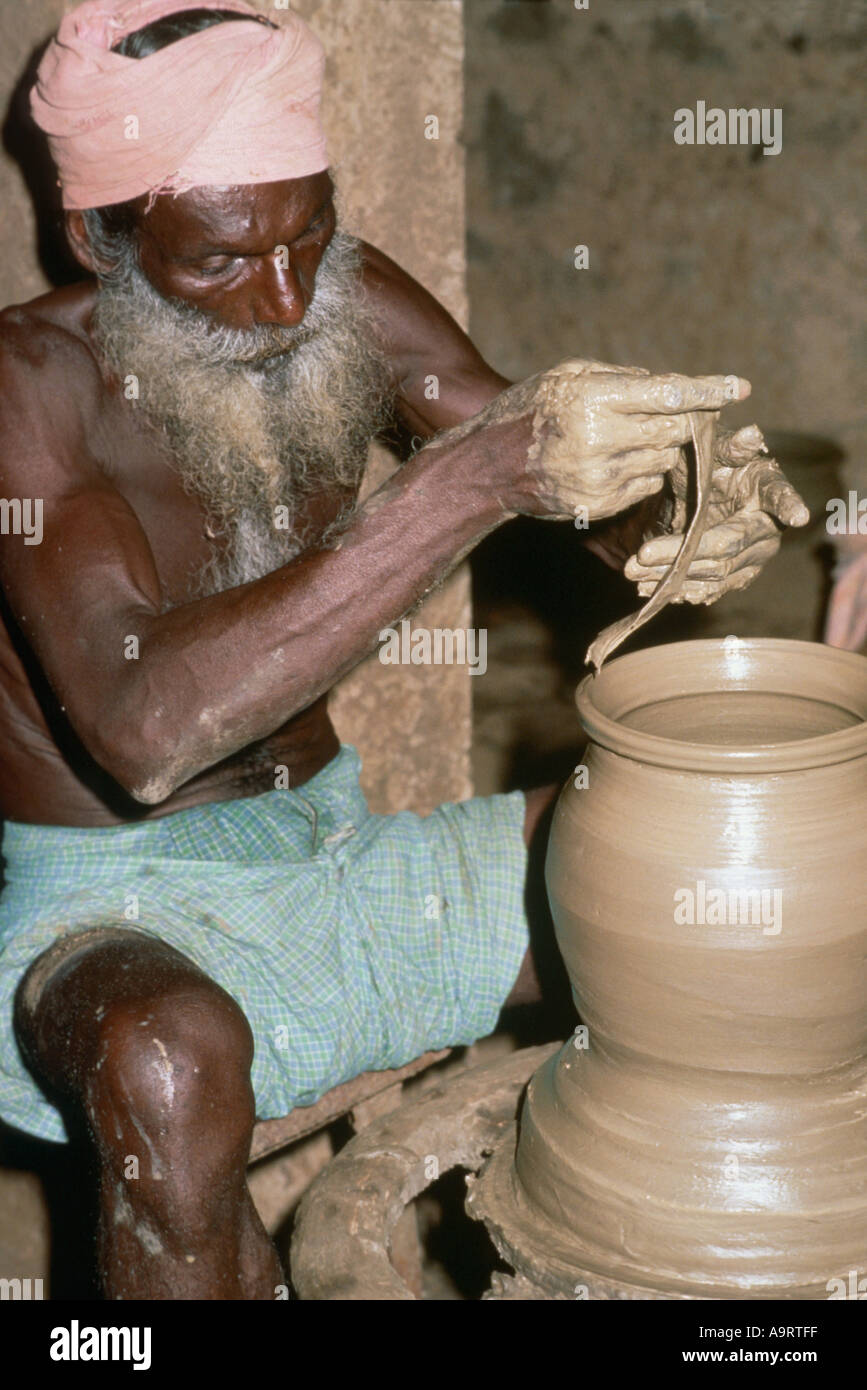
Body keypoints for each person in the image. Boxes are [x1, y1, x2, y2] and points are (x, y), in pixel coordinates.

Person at [0, 0, 808, 1298]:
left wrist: (678, 512)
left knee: (718, 868)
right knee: (167, 1056)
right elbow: (144, 730)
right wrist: (472, 481)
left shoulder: (342, 296)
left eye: (306, 229)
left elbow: (552, 470)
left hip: (342, 861)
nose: (278, 296)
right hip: (115, 906)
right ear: (105, 237)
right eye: (220, 257)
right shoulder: (24, 392)